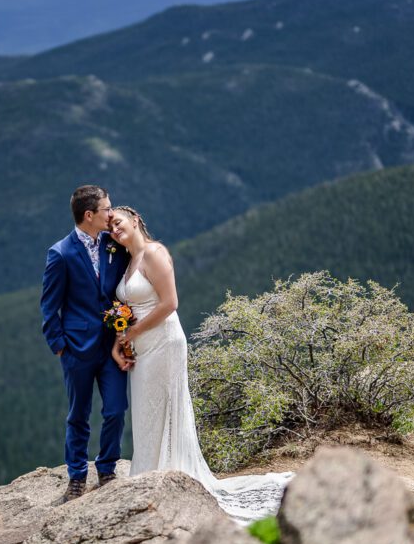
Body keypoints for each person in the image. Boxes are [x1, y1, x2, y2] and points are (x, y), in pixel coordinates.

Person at [110, 205, 292, 525]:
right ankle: (149, 478)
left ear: (136, 220)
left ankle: (167, 480)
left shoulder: (155, 253)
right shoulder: (128, 262)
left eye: (118, 222)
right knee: (146, 413)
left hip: (164, 343)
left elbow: (169, 303)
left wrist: (134, 331)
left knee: (164, 410)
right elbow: (128, 308)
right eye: (110, 226)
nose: (114, 229)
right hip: (141, 347)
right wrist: (121, 339)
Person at [41, 185, 130, 503]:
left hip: (112, 347)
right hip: (76, 349)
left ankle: (106, 469)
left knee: (116, 410)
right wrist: (59, 345)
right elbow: (49, 307)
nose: (112, 213)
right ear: (89, 215)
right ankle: (77, 477)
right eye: (107, 209)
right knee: (78, 415)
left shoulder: (113, 244)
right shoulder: (61, 253)